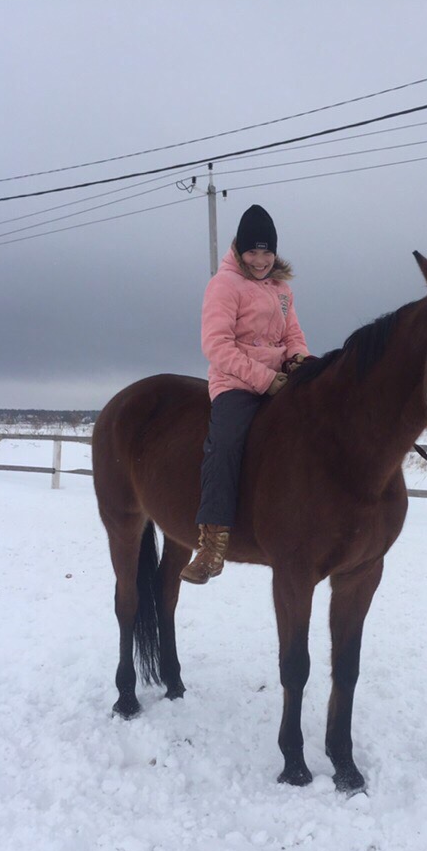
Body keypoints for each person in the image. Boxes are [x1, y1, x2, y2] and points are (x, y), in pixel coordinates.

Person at [180, 204, 311, 584]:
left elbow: (293, 335)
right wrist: (265, 380)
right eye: (252, 252)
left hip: (280, 379)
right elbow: (216, 345)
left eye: (266, 252)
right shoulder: (223, 285)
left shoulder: (282, 289)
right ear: (239, 250)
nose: (260, 260)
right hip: (235, 383)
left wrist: (300, 360)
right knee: (225, 444)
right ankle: (212, 542)